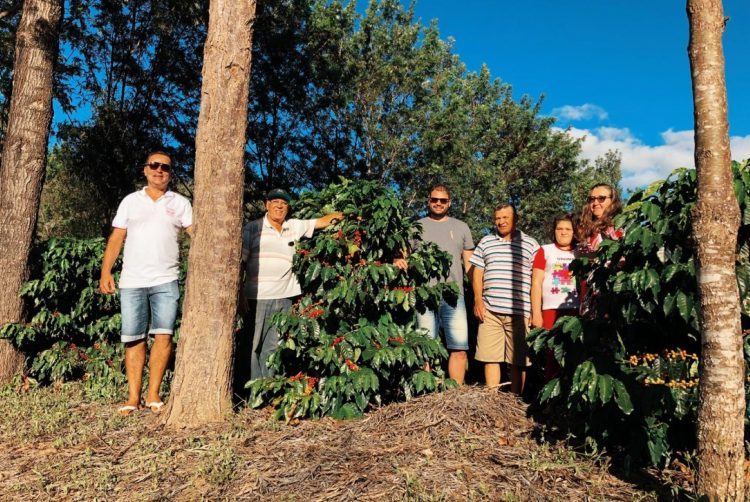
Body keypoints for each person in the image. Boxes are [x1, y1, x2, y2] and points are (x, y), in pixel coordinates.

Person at [99, 150, 193, 415]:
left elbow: (196, 232)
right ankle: (132, 398)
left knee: (164, 336)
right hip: (132, 281)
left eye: (165, 167)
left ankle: (153, 395)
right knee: (133, 338)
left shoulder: (181, 202)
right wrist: (106, 272)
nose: (159, 170)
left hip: (167, 279)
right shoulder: (130, 201)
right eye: (154, 165)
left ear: (170, 173)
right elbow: (117, 237)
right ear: (145, 170)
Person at [241, 189, 342, 380]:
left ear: (288, 208)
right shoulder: (253, 228)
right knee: (253, 346)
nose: (279, 206)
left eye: (284, 203)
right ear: (266, 205)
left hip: (284, 298)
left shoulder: (293, 226)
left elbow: (321, 222)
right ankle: (253, 393)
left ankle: (268, 389)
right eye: (275, 201)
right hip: (257, 297)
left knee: (274, 346)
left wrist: (347, 216)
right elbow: (241, 263)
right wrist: (240, 296)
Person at [394, 184, 474, 384]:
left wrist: (478, 296)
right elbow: (401, 256)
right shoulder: (415, 227)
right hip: (423, 296)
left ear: (450, 203)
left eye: (443, 200)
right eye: (434, 200)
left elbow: (470, 265)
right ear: (428, 201)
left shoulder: (461, 227)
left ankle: (455, 394)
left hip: (454, 297)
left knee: (459, 347)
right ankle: (427, 395)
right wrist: (398, 261)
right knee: (424, 349)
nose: (438, 203)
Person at [470, 203, 539, 394]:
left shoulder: (530, 244)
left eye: (505, 218)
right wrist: (478, 300)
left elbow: (537, 278)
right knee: (490, 357)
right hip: (490, 310)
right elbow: (477, 272)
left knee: (517, 361)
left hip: (520, 311)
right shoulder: (486, 241)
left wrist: (535, 310)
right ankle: (493, 402)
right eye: (497, 218)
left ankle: (515, 402)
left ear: (514, 219)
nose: (501, 222)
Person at [530, 213, 579, 381]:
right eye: (559, 229)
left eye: (568, 229)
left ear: (574, 231)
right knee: (552, 354)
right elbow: (536, 282)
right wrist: (536, 313)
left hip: (575, 310)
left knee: (574, 353)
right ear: (554, 231)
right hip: (550, 309)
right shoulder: (545, 250)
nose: (563, 232)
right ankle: (551, 400)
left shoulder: (581, 251)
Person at [577, 183, 623, 254]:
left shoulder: (620, 226)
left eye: (601, 198)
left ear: (613, 200)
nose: (595, 203)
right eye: (592, 199)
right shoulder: (584, 229)